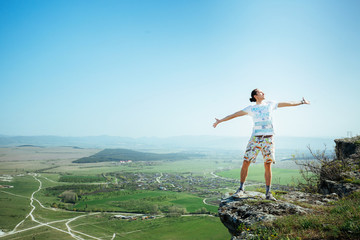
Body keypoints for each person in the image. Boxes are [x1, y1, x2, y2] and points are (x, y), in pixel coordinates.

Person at [213, 89, 310, 201]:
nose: (263, 93)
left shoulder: (270, 104)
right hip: (255, 139)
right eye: (260, 92)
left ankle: (268, 193)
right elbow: (234, 115)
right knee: (246, 162)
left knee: (267, 164)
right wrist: (220, 121)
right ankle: (241, 189)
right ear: (255, 96)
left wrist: (301, 102)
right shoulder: (251, 108)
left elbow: (288, 103)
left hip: (268, 139)